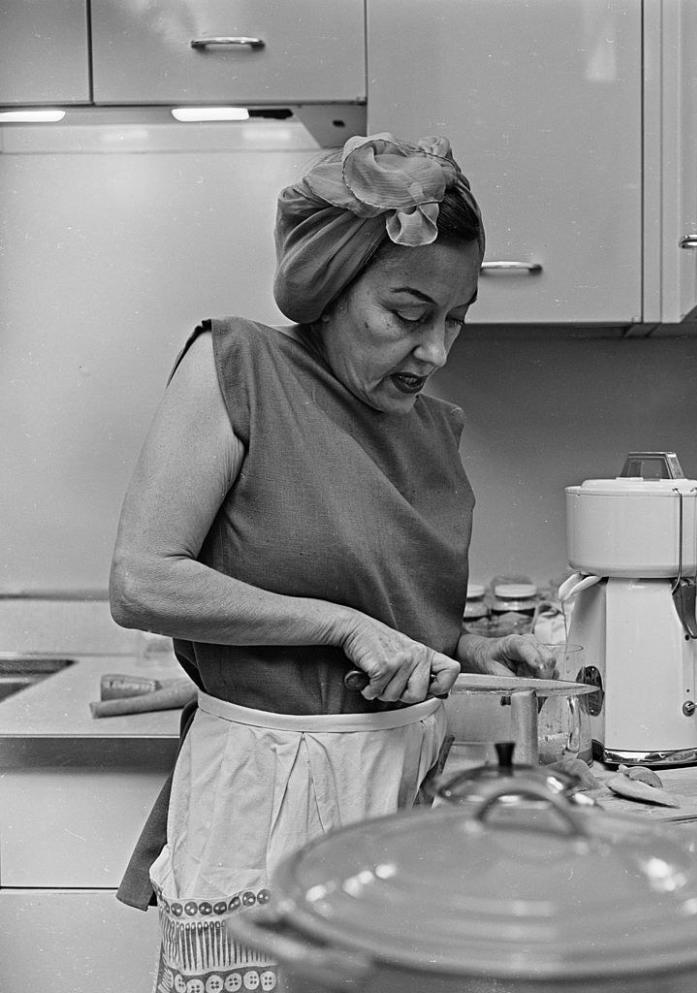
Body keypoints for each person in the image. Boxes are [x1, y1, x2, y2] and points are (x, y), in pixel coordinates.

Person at [109, 133, 556, 993]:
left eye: (458, 317)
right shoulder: (238, 366)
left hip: (400, 790)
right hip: (265, 795)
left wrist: (466, 647)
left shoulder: (436, 430)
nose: (438, 352)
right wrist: (342, 626)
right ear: (328, 288)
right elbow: (143, 578)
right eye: (409, 314)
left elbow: (383, 600)